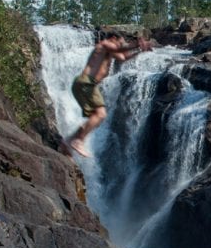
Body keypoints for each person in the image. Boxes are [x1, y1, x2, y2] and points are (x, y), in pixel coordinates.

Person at [65, 29, 152, 158]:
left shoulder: (109, 52)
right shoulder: (103, 44)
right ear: (113, 38)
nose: (120, 45)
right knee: (100, 114)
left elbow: (123, 57)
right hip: (86, 82)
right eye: (119, 42)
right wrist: (137, 44)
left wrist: (140, 50)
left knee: (94, 117)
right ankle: (78, 140)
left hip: (86, 84)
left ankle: (66, 142)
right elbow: (120, 49)